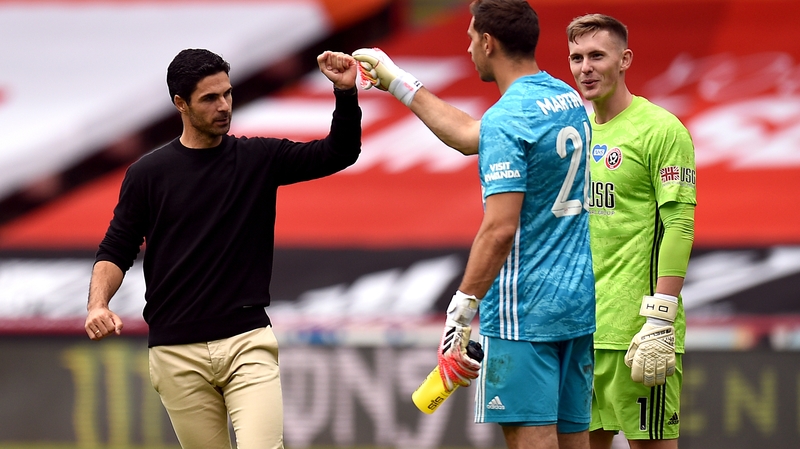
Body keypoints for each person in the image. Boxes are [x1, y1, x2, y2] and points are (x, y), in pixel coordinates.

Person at [83, 48, 362, 449]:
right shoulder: (147, 174)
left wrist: (345, 94)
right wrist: (98, 305)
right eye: (210, 98)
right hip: (175, 352)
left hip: (247, 342)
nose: (224, 106)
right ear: (180, 104)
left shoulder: (257, 158)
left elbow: (339, 152)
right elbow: (115, 248)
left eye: (227, 94)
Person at [353, 1, 595, 448]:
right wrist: (395, 80)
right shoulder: (565, 98)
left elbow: (500, 228)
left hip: (524, 313)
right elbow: (469, 135)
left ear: (489, 42)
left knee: (534, 441)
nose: (467, 48)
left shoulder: (508, 118)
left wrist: (462, 311)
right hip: (576, 304)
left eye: (470, 38)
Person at [566, 14, 697, 449]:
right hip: (583, 332)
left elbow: (678, 222)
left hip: (640, 335)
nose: (585, 67)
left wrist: (661, 314)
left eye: (597, 56)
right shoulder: (575, 134)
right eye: (577, 57)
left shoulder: (661, 129)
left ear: (625, 60)